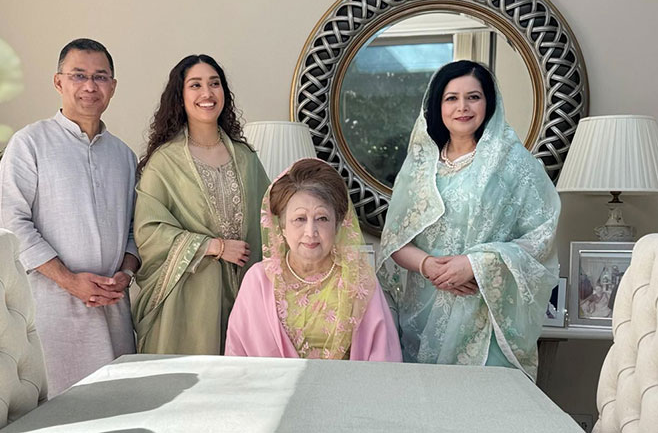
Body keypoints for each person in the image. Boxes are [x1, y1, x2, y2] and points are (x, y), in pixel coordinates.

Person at [376, 60, 560, 380]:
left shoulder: (513, 163)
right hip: (426, 312)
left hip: (487, 314)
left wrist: (476, 264)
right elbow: (396, 241)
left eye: (473, 97)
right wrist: (429, 266)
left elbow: (541, 236)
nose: (462, 107)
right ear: (438, 105)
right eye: (452, 98)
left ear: (489, 103)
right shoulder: (420, 166)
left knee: (489, 404)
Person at [0, 38, 139, 397]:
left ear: (113, 87)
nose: (90, 86)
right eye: (78, 75)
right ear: (58, 82)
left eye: (100, 77)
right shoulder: (30, 143)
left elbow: (134, 230)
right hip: (52, 310)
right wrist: (69, 280)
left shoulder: (124, 156)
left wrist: (126, 273)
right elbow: (11, 222)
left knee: (118, 407)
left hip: (113, 311)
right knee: (59, 408)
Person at [132, 54, 270, 354]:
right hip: (189, 304)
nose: (207, 93)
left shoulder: (245, 158)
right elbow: (148, 231)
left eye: (214, 83)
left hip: (245, 295)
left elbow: (271, 219)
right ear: (180, 97)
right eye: (195, 85)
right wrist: (213, 247)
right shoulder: (165, 162)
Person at [225, 158, 402, 361]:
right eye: (300, 219)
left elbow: (382, 358)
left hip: (347, 382)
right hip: (270, 382)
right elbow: (237, 357)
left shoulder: (358, 279)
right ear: (282, 226)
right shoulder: (259, 280)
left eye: (322, 218)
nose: (311, 232)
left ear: (338, 225)